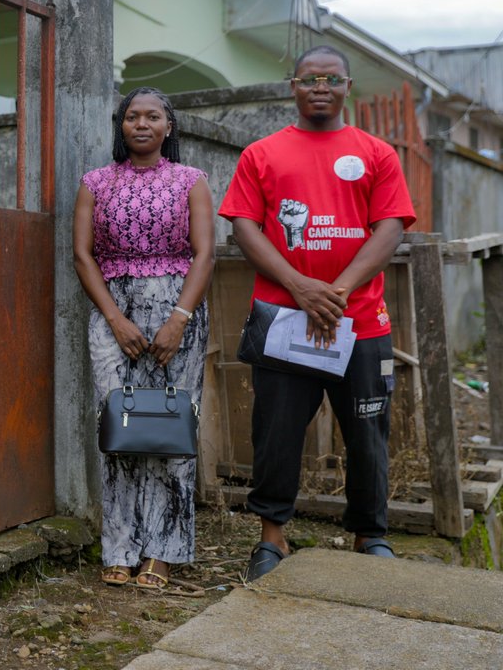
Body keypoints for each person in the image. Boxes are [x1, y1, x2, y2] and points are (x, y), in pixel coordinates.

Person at [218, 45, 416, 581]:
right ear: (293, 87)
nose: (320, 86)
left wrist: (338, 289)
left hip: (362, 321)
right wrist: (300, 287)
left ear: (348, 85)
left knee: (368, 434)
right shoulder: (261, 154)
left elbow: (391, 226)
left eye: (331, 78)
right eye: (310, 79)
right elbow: (243, 226)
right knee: (276, 432)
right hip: (284, 318)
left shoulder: (377, 153)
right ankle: (272, 538)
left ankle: (370, 535)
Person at [73, 86, 215, 590]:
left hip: (177, 313)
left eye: (152, 116)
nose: (141, 124)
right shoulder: (95, 182)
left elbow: (204, 254)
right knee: (118, 428)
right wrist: (115, 318)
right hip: (115, 316)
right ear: (121, 124)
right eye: (132, 116)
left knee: (171, 429)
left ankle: (164, 553)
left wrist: (178, 318)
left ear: (168, 126)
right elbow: (83, 257)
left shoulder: (191, 181)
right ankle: (119, 548)